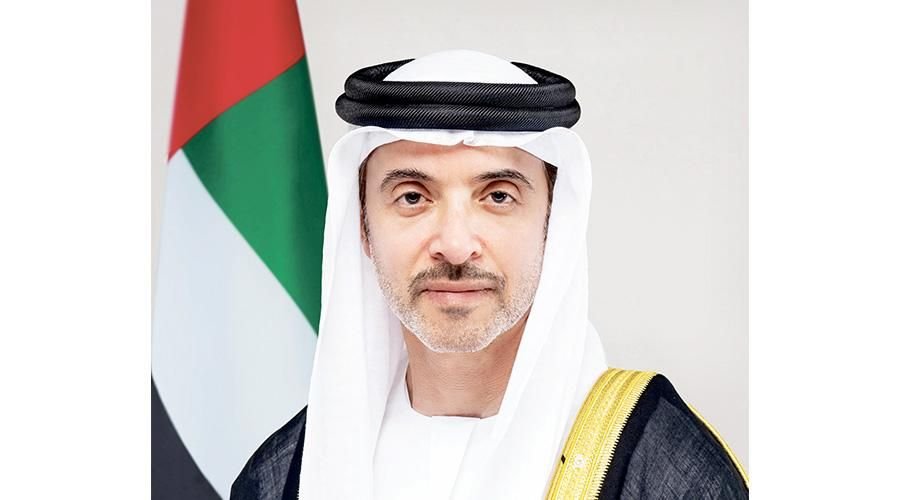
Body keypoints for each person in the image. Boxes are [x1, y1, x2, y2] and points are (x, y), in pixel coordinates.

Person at [231, 49, 748, 500]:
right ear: (363, 228)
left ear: (553, 227)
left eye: (498, 196)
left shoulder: (664, 471)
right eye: (412, 197)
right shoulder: (284, 476)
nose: (455, 245)